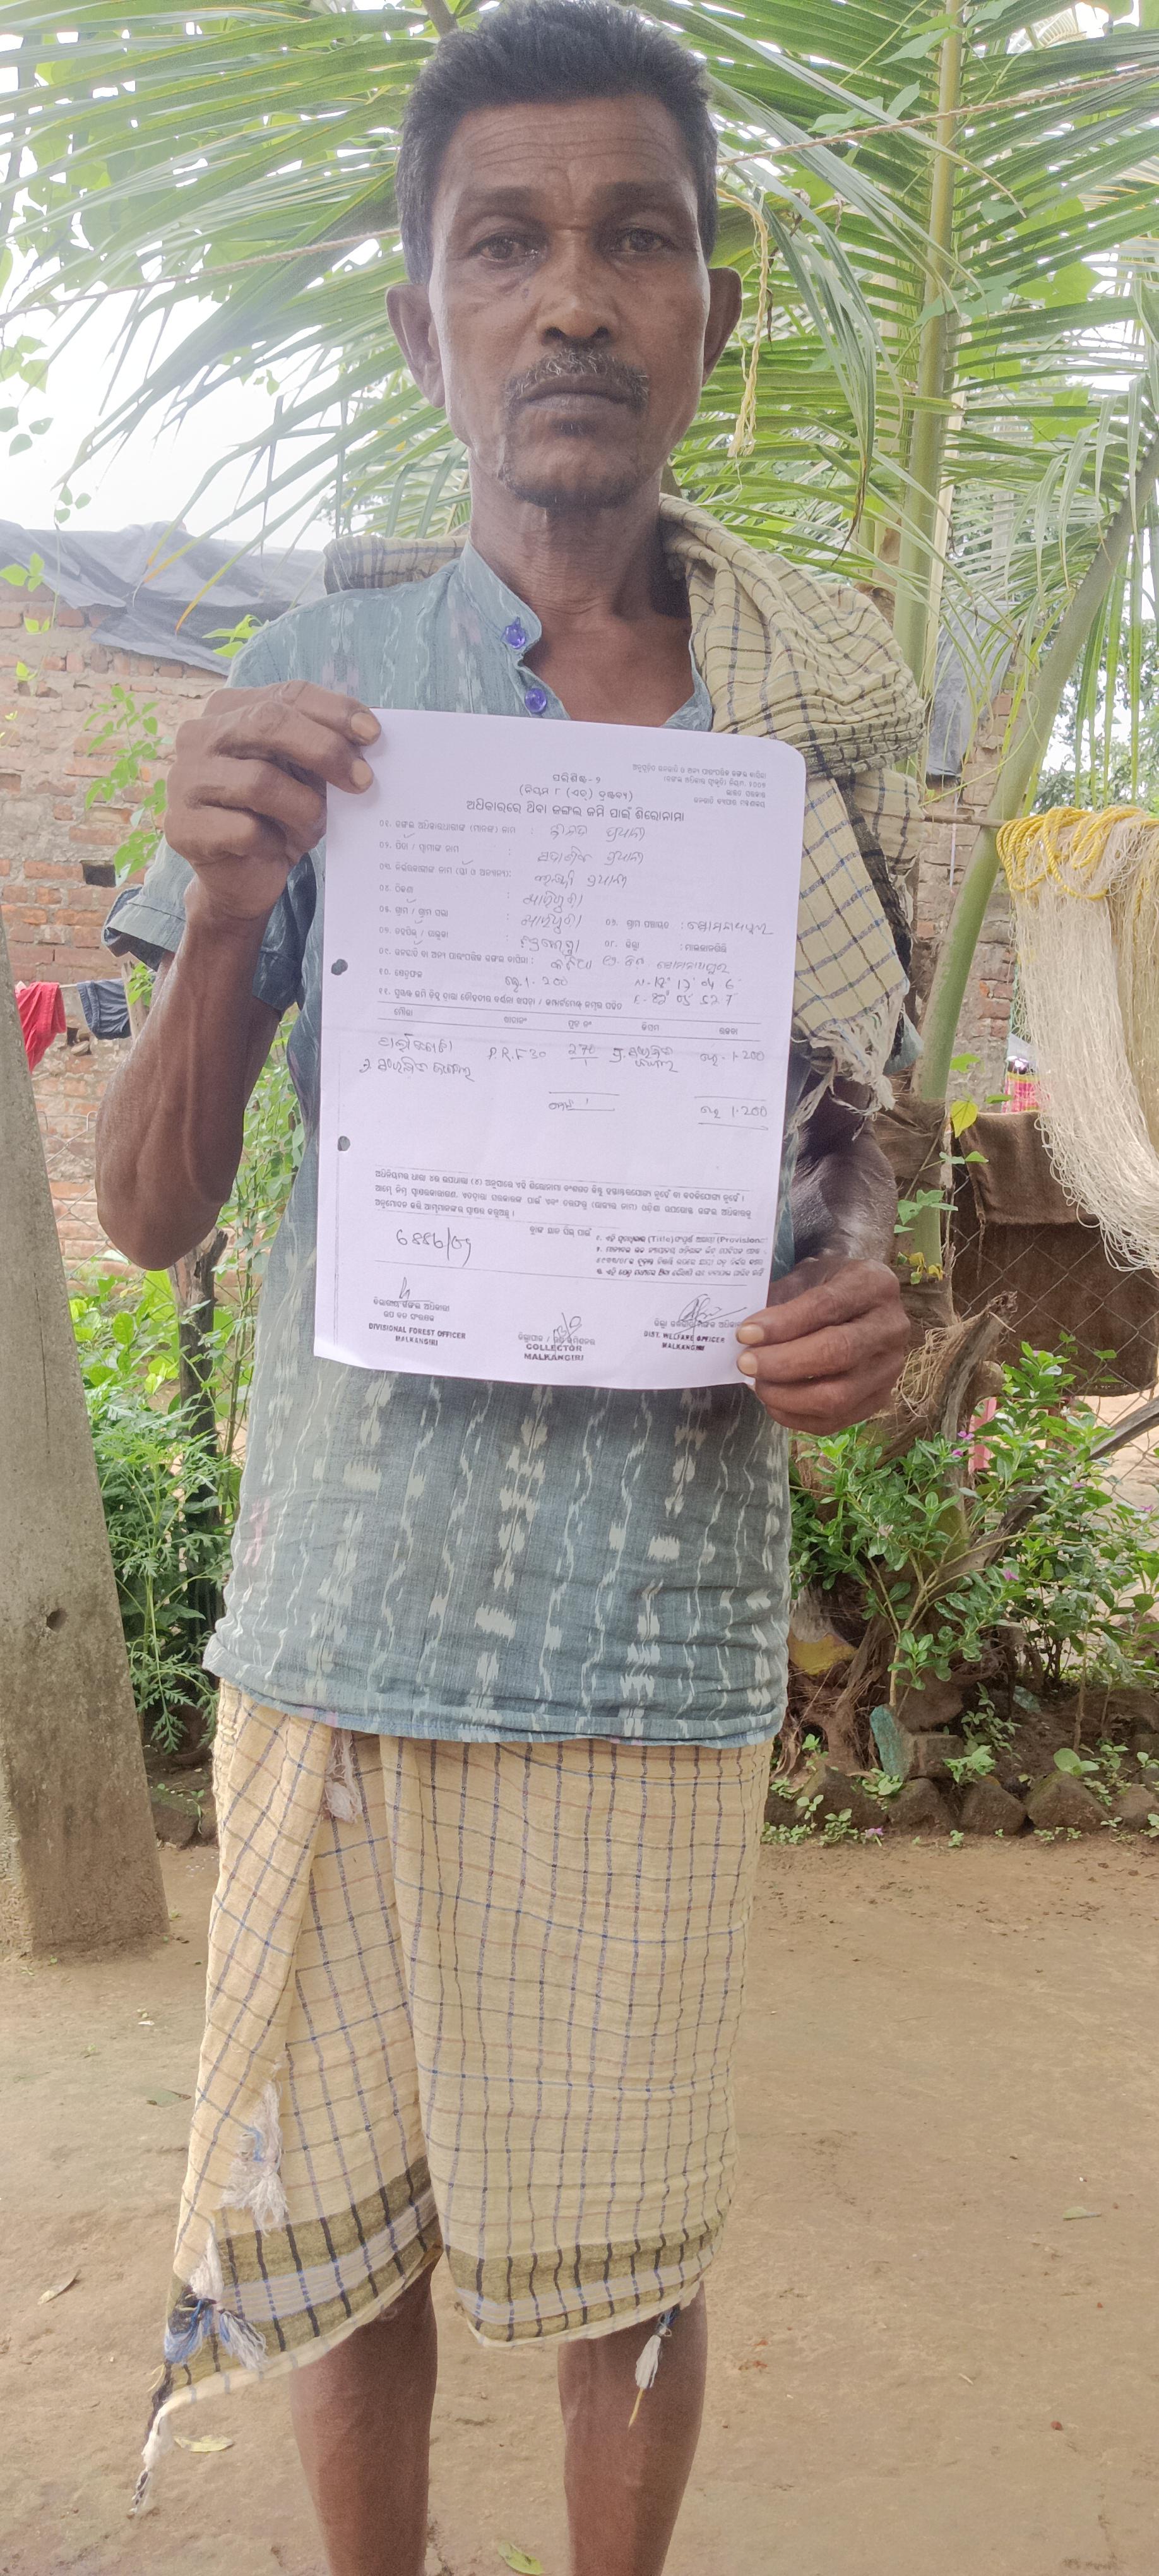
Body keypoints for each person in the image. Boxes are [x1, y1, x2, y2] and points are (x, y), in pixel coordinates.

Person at [97, 6, 917, 2568]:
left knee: (625, 2263)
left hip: (647, 1631)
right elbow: (145, 1214)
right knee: (346, 2233)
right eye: (505, 244)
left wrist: (858, 1323)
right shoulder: (315, 699)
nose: (572, 297)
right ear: (423, 319)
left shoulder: (808, 717)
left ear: (709, 312)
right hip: (348, 1611)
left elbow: (849, 1189)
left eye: (633, 238)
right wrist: (221, 917)